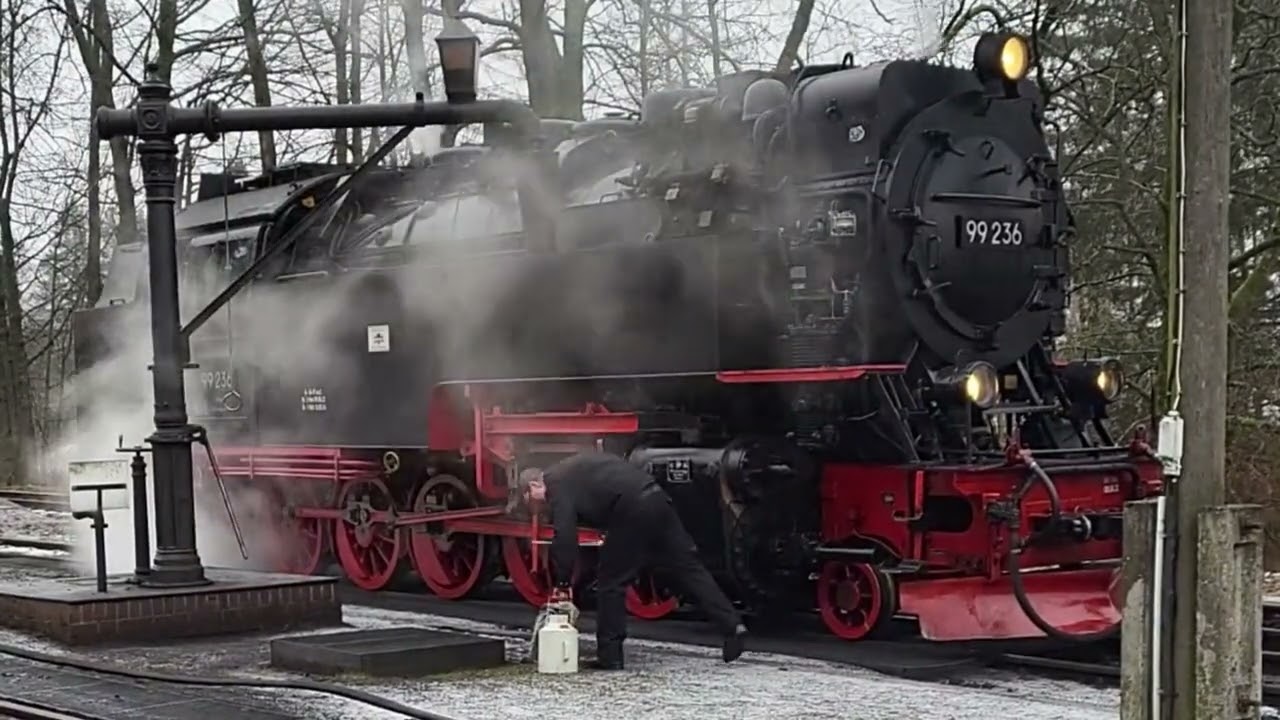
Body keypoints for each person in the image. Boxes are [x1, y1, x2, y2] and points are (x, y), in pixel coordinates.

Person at [510, 452, 748, 670]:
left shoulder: (556, 483)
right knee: (690, 568)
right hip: (657, 498)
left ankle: (610, 656)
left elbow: (565, 535)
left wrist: (562, 580)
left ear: (534, 485)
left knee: (610, 583)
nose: (540, 507)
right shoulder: (575, 466)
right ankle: (732, 625)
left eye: (533, 501)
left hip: (631, 510)